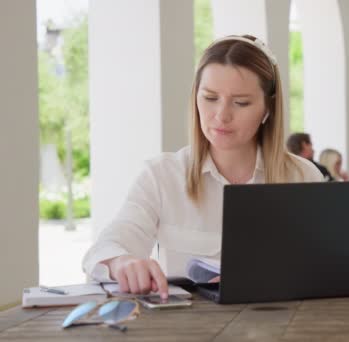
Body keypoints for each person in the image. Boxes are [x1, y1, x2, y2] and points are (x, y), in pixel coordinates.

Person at [82, 35, 323, 298]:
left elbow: (324, 267)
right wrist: (121, 262)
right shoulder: (161, 175)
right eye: (209, 98)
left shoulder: (303, 175)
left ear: (268, 108)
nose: (221, 115)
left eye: (241, 102)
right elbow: (106, 247)